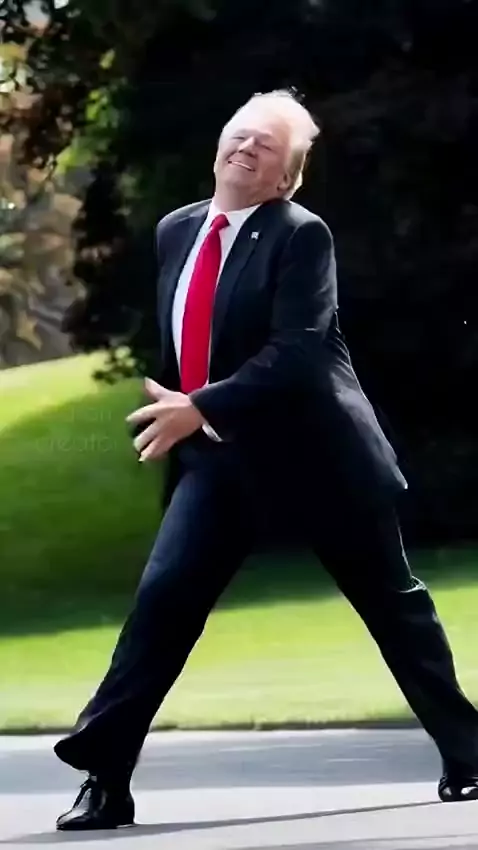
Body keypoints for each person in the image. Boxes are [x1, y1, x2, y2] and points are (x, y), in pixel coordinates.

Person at [54, 89, 478, 830]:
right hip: (222, 462)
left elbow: (299, 352)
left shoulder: (300, 234)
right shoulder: (177, 230)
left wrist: (201, 405)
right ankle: (104, 776)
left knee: (394, 607)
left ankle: (470, 754)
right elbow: (187, 338)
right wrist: (185, 415)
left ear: (287, 177)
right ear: (220, 144)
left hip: (321, 458)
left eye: (268, 145)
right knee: (162, 604)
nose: (248, 147)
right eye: (241, 134)